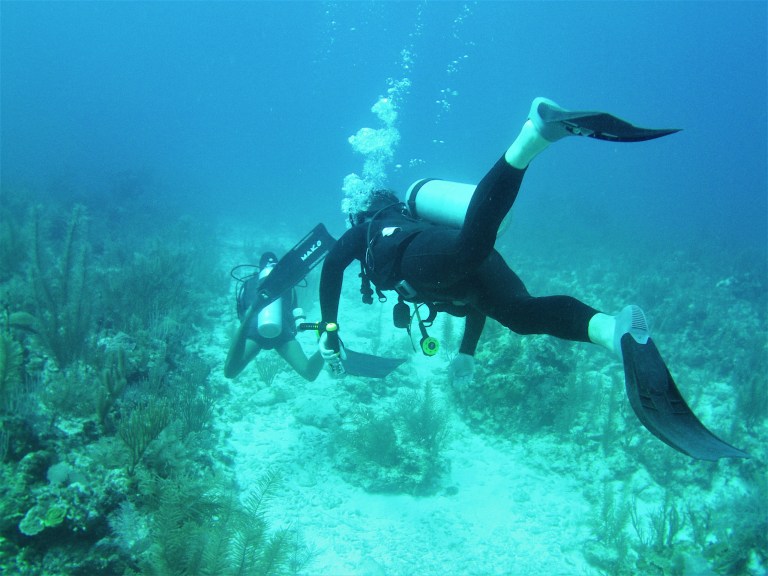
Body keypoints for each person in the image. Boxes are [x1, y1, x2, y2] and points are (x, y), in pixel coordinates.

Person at [315, 97, 748, 461]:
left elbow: (332, 267)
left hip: (429, 258)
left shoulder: (369, 230)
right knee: (522, 315)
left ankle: (531, 137)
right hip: (464, 266)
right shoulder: (411, 222)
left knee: (469, 249)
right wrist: (466, 352)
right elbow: (470, 303)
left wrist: (329, 330)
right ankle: (612, 330)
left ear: (363, 212)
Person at [225, 251, 324, 382]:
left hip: (255, 329)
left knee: (230, 372)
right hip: (281, 330)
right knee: (309, 373)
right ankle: (327, 345)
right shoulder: (288, 284)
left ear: (260, 268)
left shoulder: (248, 283)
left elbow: (240, 312)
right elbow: (294, 311)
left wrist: (248, 318)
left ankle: (252, 314)